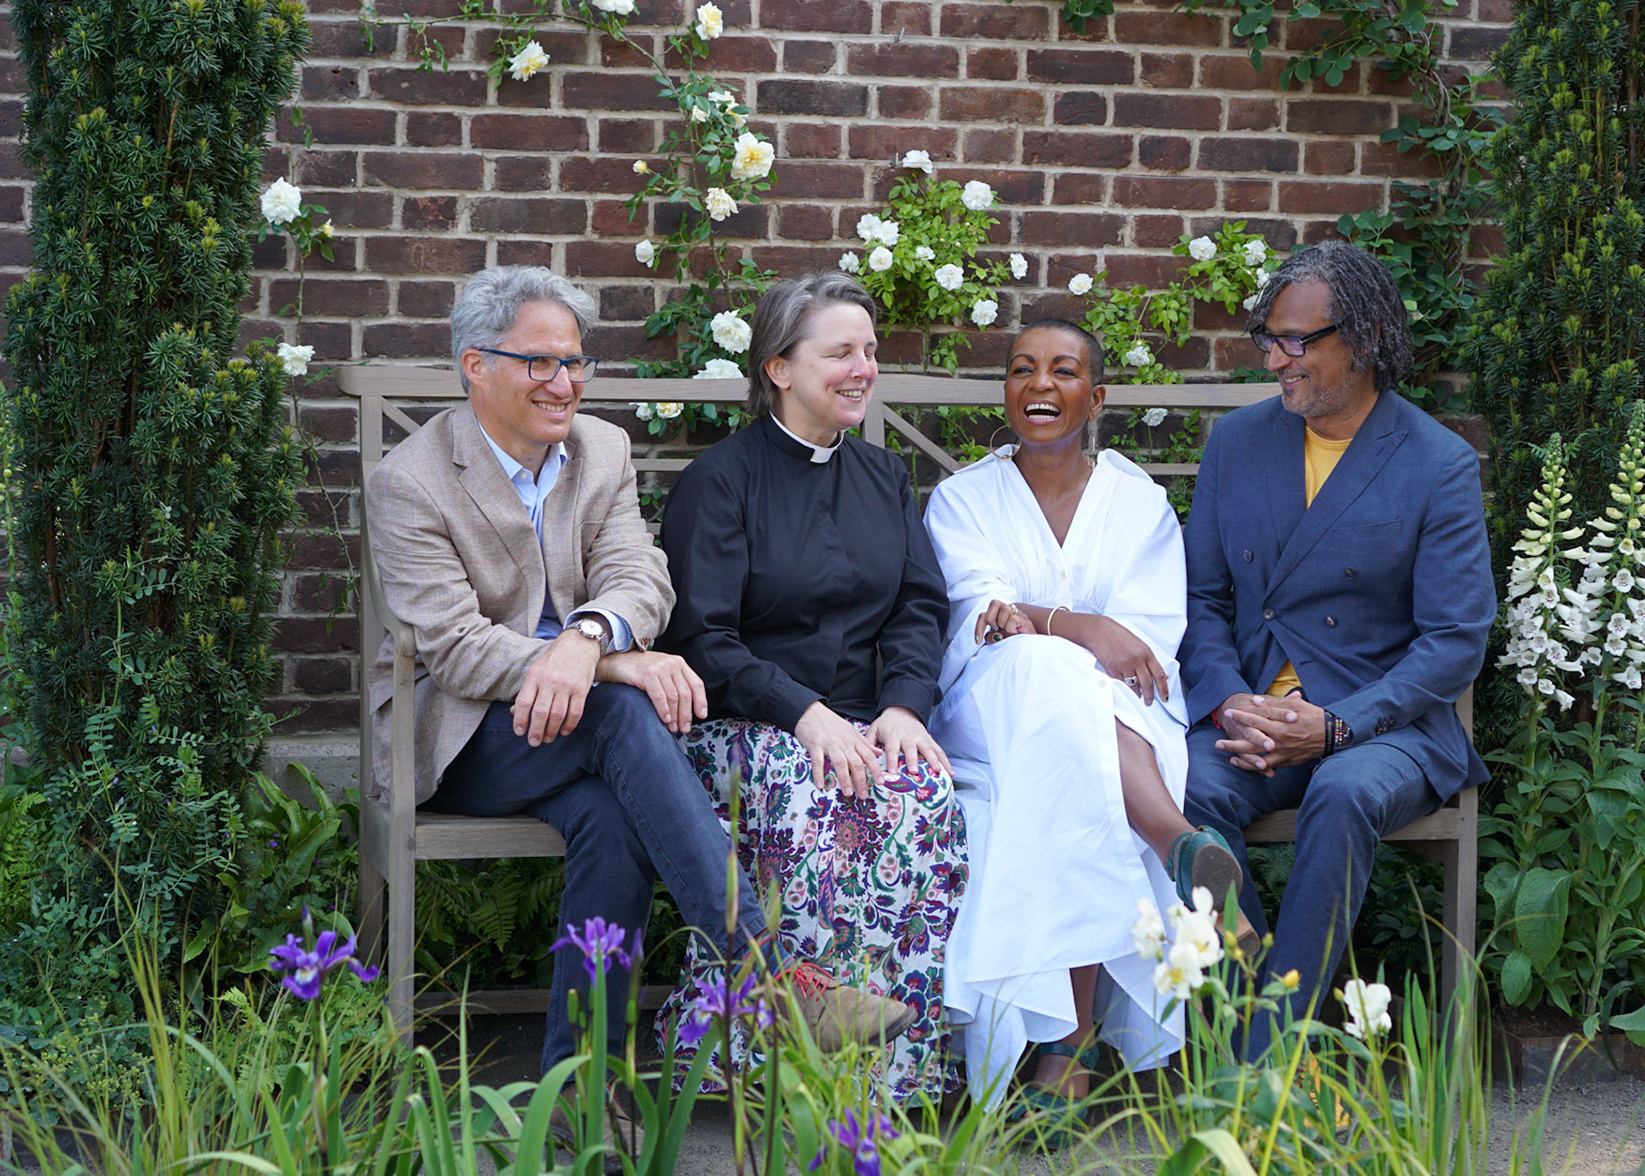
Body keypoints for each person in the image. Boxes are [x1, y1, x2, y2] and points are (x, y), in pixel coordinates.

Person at [365, 266, 909, 1084]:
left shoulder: (601, 449)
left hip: (577, 733)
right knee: (622, 715)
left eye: (576, 363)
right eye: (539, 363)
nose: (564, 384)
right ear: (475, 366)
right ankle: (765, 975)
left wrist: (587, 636)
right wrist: (609, 661)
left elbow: (641, 578)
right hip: (465, 732)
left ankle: (579, 1094)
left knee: (613, 823)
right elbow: (457, 649)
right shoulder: (410, 483)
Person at [653, 272, 966, 1102]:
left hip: (860, 719)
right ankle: (753, 1063)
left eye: (870, 350)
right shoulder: (718, 483)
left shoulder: (883, 477)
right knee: (816, 788)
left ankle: (895, 1076)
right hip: (739, 728)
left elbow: (916, 606)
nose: (863, 367)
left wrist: (902, 705)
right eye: (841, 352)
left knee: (925, 791)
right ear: (779, 369)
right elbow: (700, 639)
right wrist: (804, 714)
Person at [1178, 241, 1495, 1062]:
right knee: (1183, 787)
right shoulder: (1239, 443)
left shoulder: (1437, 463)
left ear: (1364, 340)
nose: (1278, 361)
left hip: (1384, 726)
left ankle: (1262, 1056)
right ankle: (1251, 1006)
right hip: (1253, 716)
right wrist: (1226, 701)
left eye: (1297, 342)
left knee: (1345, 794)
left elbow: (1457, 637)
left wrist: (1336, 727)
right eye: (1270, 340)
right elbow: (1204, 602)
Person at [924, 319, 1244, 1119]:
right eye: (1022, 370)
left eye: (1063, 371)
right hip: (990, 711)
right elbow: (977, 617)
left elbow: (1144, 649)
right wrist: (1079, 625)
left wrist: (1044, 619)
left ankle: (1068, 1042)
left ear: (1095, 397)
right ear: (1005, 390)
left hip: (1121, 724)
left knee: (1065, 717)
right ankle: (1173, 840)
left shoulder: (1138, 504)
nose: (1040, 385)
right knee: (1041, 667)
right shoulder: (964, 498)